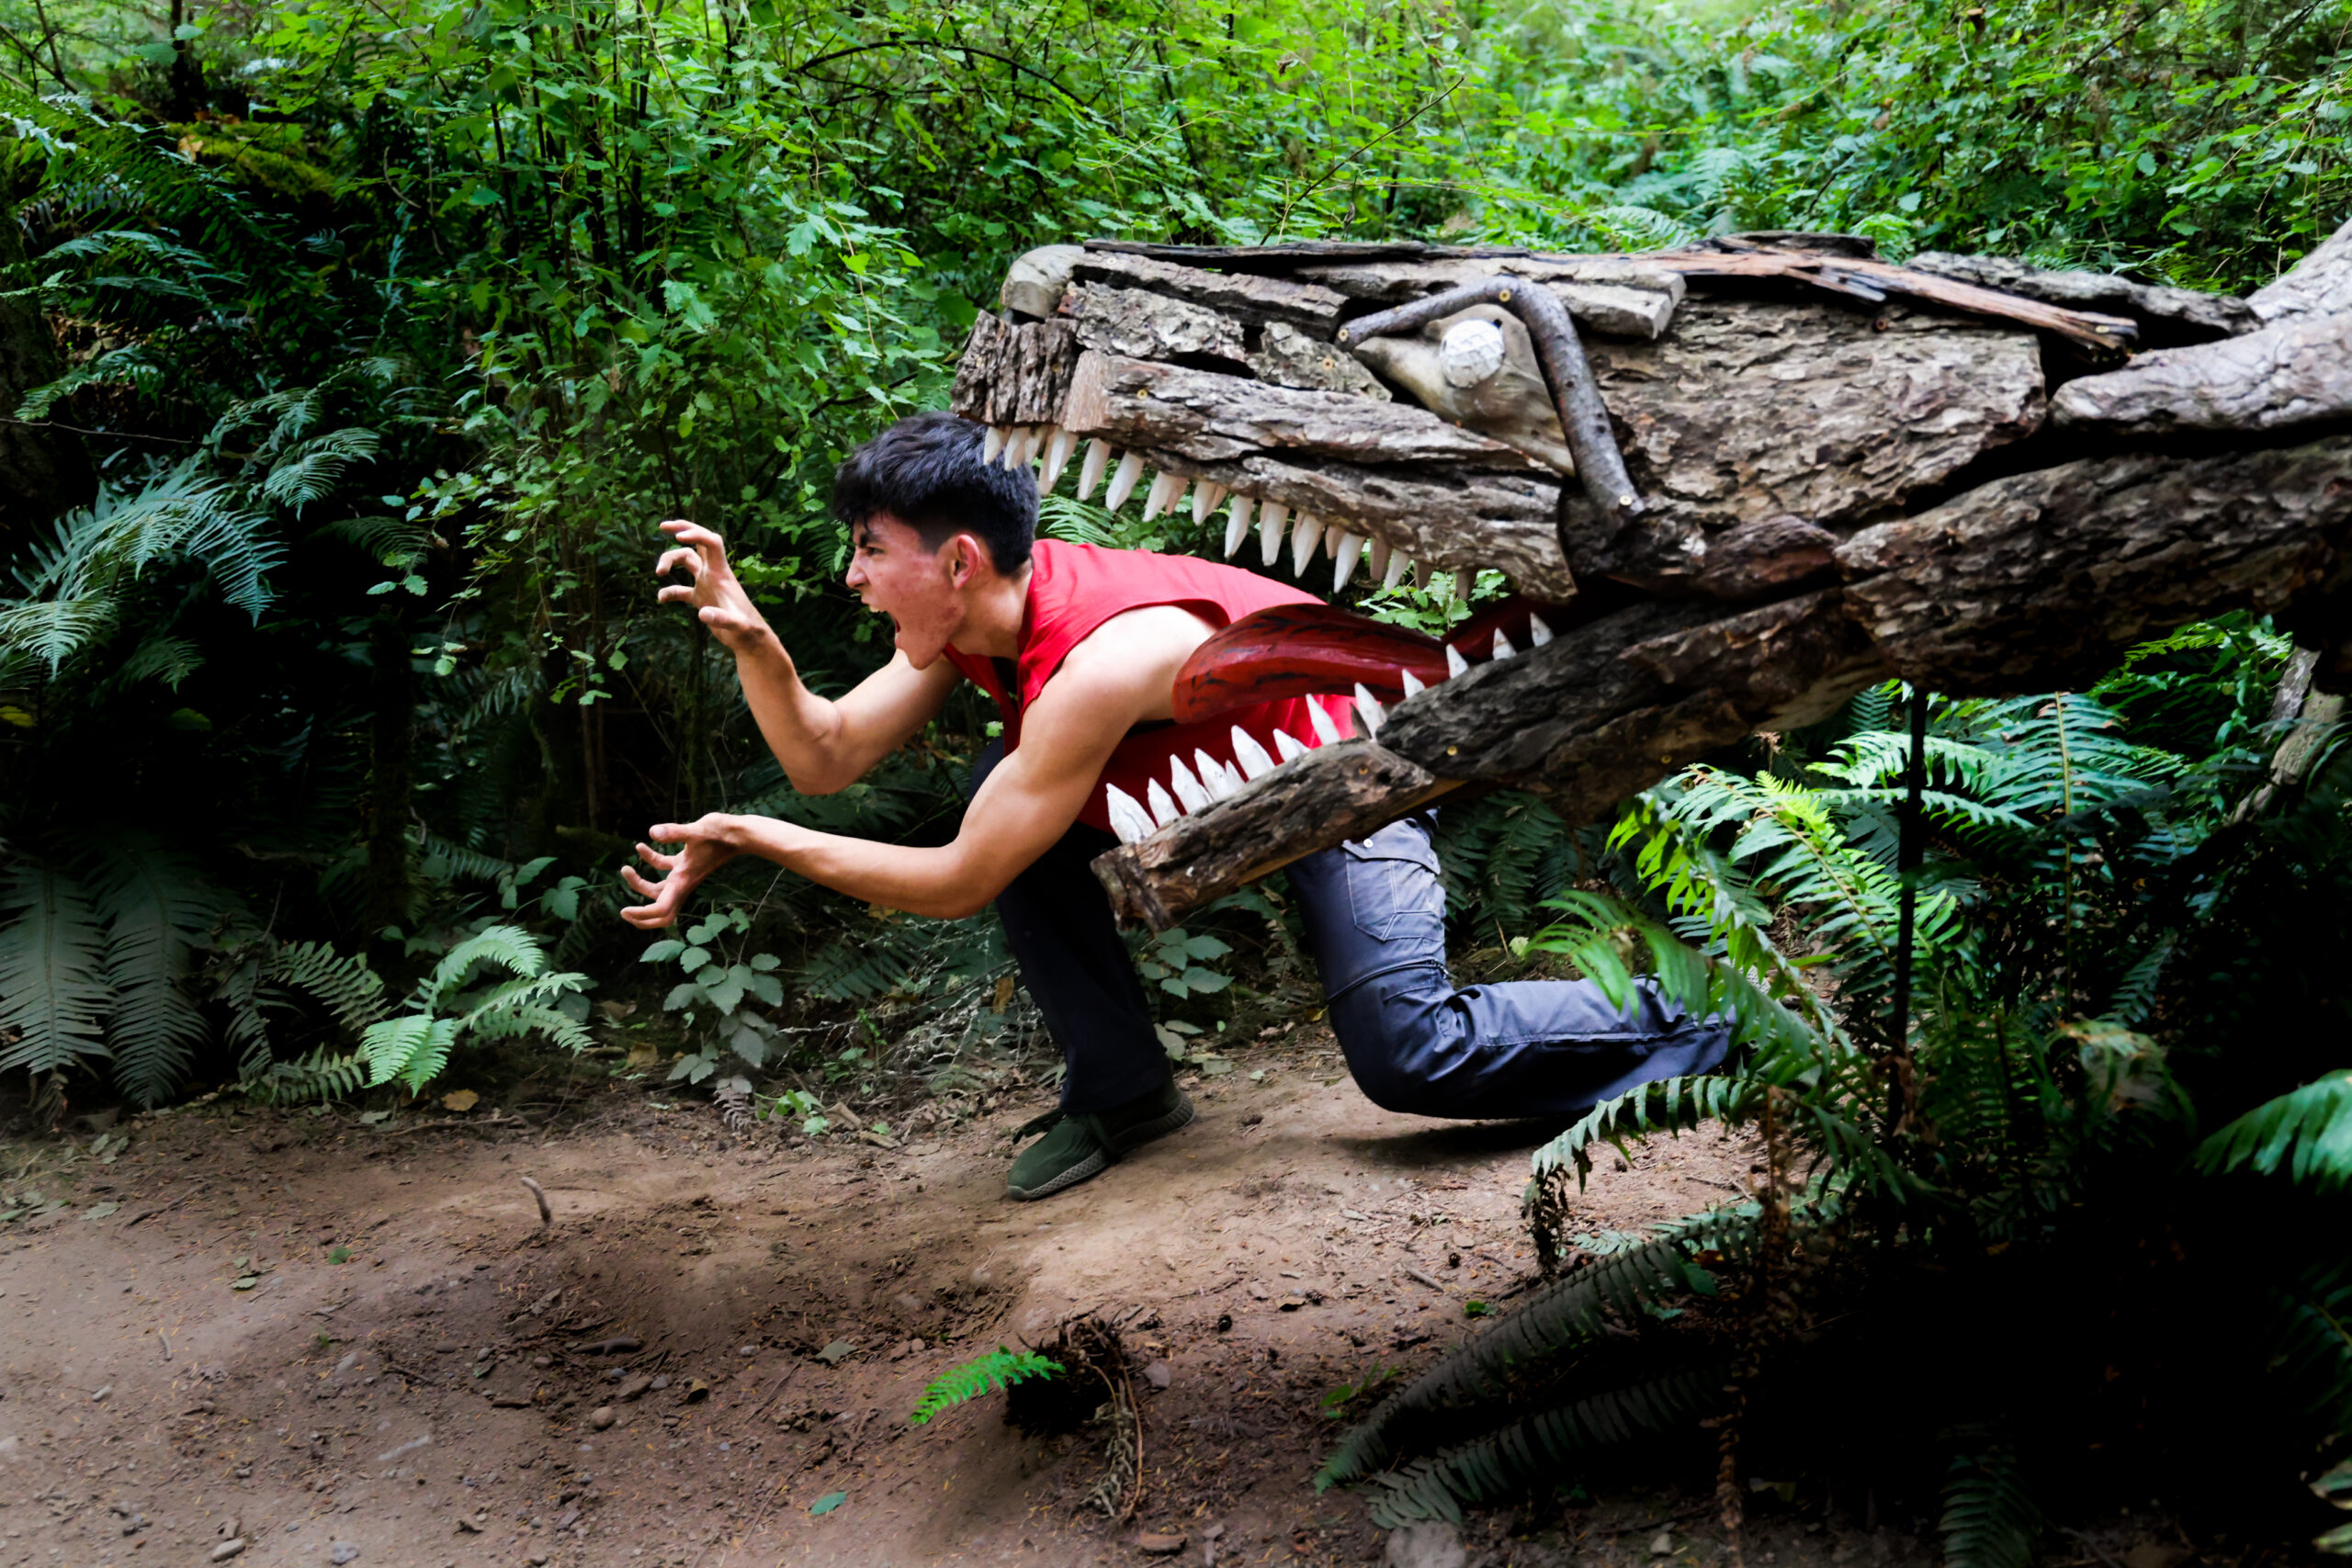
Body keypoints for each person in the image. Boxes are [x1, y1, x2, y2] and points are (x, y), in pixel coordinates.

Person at [622, 412, 1728, 1200]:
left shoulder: (1098, 657)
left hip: (1346, 775)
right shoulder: (971, 623)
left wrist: (752, 835)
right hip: (1202, 786)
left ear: (958, 560)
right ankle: (1126, 1092)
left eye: (870, 552)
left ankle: (1725, 1031)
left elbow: (957, 882)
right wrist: (757, 645)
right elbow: (825, 755)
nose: (852, 577)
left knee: (1410, 1058)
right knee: (1005, 804)